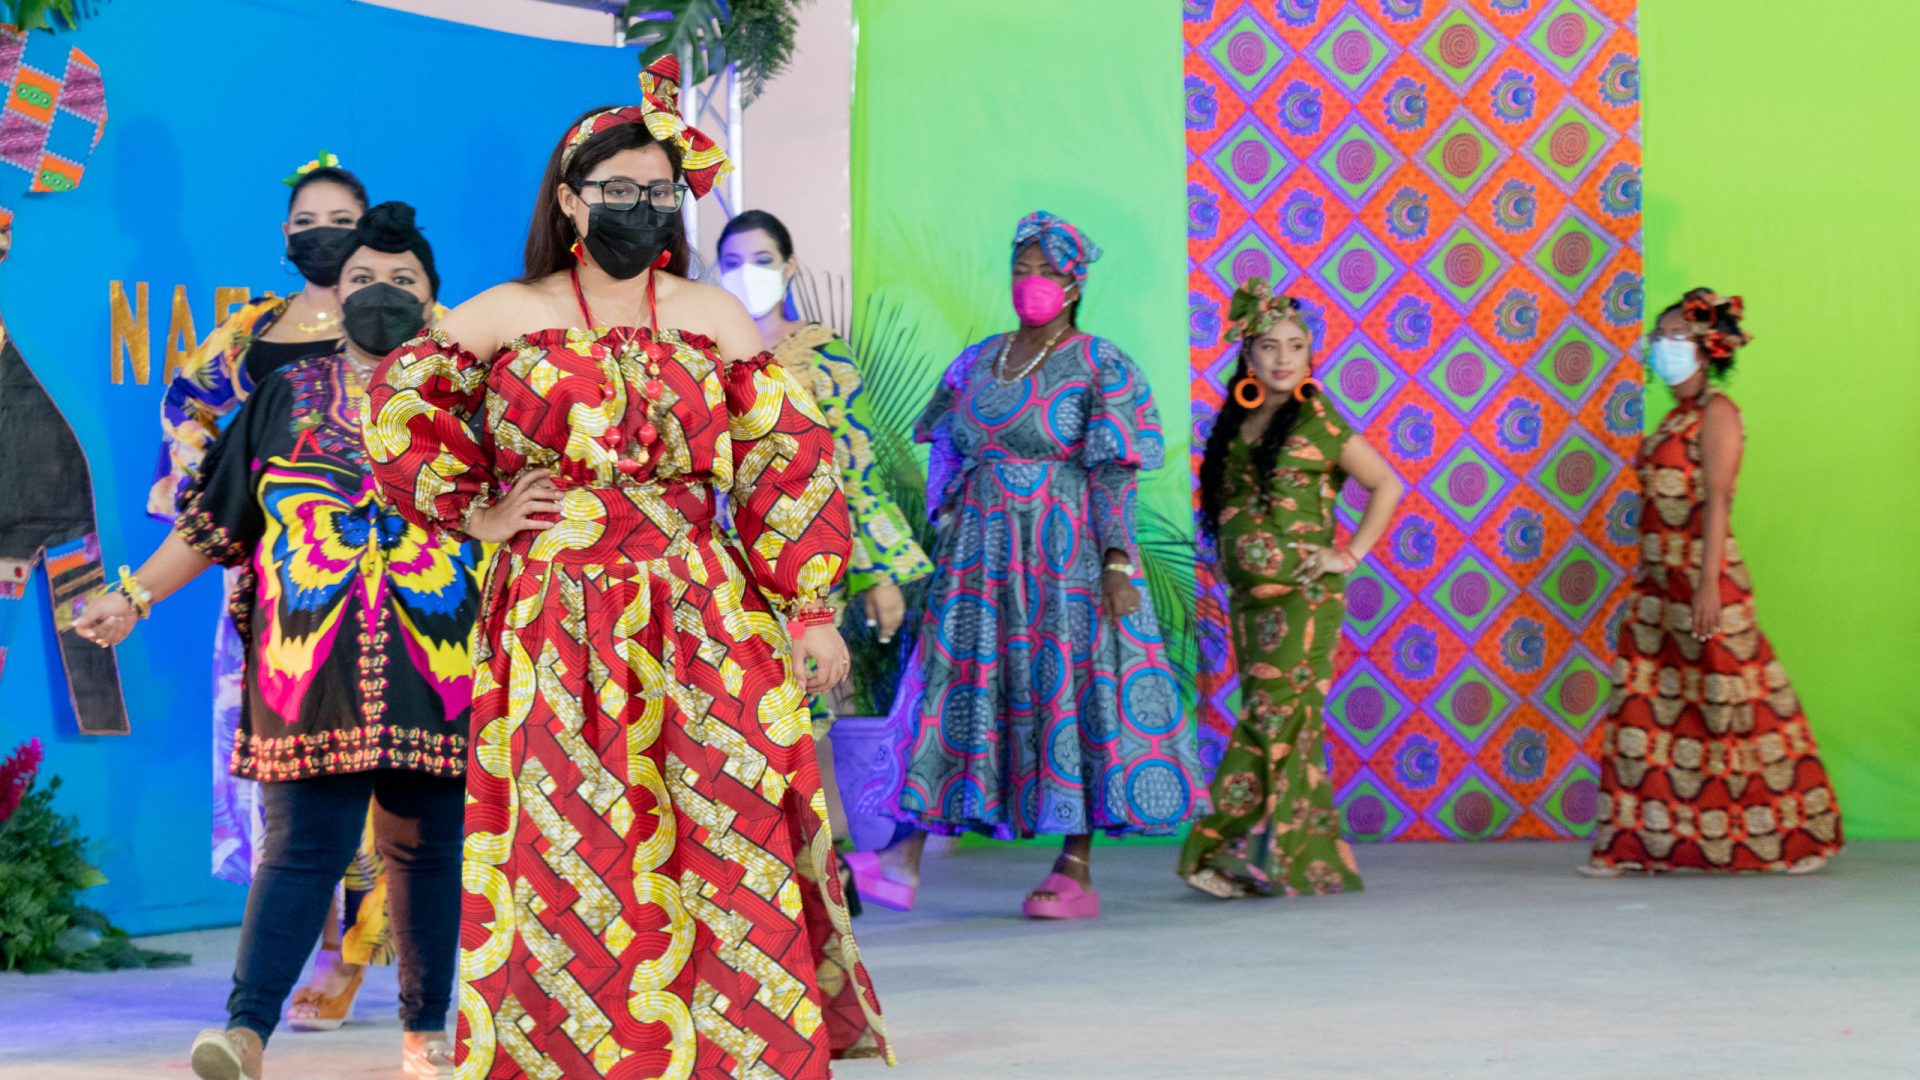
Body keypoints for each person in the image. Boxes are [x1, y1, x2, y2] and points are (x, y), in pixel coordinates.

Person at [362, 56, 888, 1075]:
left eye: (658, 191)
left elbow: (787, 459)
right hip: (552, 614)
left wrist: (814, 607)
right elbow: (394, 411)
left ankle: (739, 1052)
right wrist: (478, 514)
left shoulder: (712, 314)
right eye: (617, 190)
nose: (640, 209)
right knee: (571, 839)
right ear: (569, 199)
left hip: (702, 608)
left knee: (724, 827)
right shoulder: (505, 310)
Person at [79, 202, 481, 1080]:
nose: (381, 293)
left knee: (426, 853)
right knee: (299, 850)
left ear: (433, 298)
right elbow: (215, 522)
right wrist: (133, 596)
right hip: (307, 664)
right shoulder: (283, 397)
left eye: (403, 280)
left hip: (439, 664)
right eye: (364, 278)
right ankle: (246, 1033)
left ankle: (425, 1033)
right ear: (338, 292)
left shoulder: (474, 398)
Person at [852, 210, 1200, 920]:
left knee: (1073, 693)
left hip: (1065, 557)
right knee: (954, 692)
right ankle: (900, 859)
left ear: (1075, 284)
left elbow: (1114, 472)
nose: (1031, 282)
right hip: (978, 562)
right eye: (1022, 269)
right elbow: (945, 443)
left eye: (1046, 271)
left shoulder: (1101, 364)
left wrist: (1117, 563)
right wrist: (948, 517)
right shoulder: (979, 361)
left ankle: (1075, 868)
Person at [149, 156, 396, 1031]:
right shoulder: (254, 326)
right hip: (269, 581)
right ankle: (307, 937)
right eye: (305, 222)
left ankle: (352, 954)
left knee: (368, 762)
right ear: (285, 236)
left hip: (380, 579)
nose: (321, 235)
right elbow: (186, 406)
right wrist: (216, 478)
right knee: (286, 767)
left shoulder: (411, 318)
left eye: (340, 220)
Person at [716, 208, 932, 907]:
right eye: (731, 262)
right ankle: (756, 867)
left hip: (802, 561)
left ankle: (828, 862)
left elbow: (854, 468)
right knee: (728, 711)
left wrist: (878, 573)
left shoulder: (823, 355)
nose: (746, 274)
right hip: (713, 558)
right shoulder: (699, 347)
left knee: (803, 714)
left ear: (789, 267)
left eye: (761, 260)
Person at [1585, 289, 1842, 875]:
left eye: (1675, 336)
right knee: (1645, 708)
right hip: (1658, 586)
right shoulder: (1673, 418)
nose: (1662, 347)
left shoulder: (1717, 414)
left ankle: (1794, 839)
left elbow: (1718, 502)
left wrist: (1708, 588)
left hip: (1705, 580)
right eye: (1659, 337)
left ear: (1707, 347)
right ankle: (1631, 846)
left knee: (1734, 707)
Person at [1177, 279, 1404, 899]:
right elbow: (1227, 504)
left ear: (1310, 355)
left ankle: (1209, 849)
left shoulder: (1319, 419)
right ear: (1247, 355)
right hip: (1249, 603)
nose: (1283, 359)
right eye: (1270, 346)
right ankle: (1290, 860)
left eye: (1296, 347)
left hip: (1305, 600)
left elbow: (1386, 484)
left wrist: (1348, 554)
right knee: (1288, 724)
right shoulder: (1236, 420)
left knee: (1271, 718)